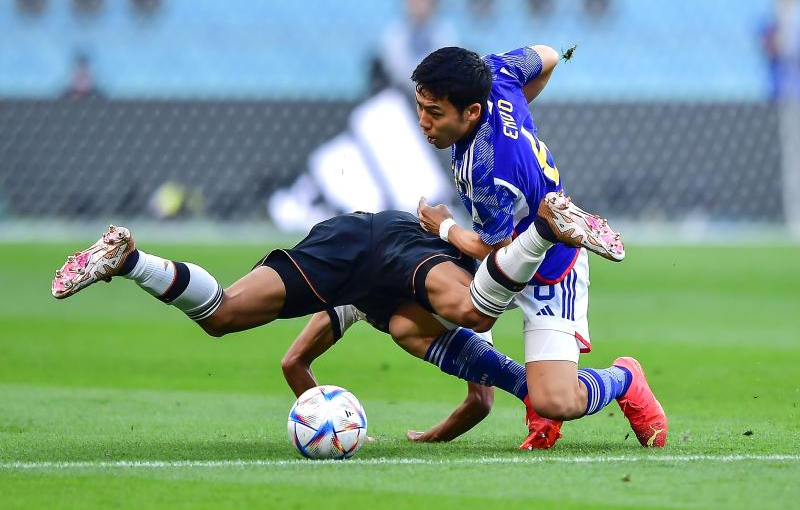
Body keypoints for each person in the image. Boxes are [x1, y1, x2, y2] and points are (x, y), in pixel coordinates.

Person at [50, 199, 617, 447]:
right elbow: (482, 399)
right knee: (444, 317)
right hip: (396, 246)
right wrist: (336, 422)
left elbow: (479, 402)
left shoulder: (368, 303)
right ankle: (546, 231)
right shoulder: (443, 290)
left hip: (346, 241)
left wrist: (337, 420)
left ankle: (128, 261)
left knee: (221, 314)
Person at [412, 45, 667, 449]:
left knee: (558, 401)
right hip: (512, 248)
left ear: (472, 112)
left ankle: (625, 378)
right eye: (421, 106)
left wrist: (443, 226)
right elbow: (549, 55)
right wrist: (519, 123)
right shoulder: (496, 73)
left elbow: (494, 250)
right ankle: (520, 390)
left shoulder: (488, 168)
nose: (423, 121)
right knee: (412, 321)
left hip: (549, 265)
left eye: (435, 113)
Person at [282, 304, 495, 442]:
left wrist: (430, 437)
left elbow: (481, 399)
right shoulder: (353, 285)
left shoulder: (468, 303)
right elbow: (293, 362)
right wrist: (333, 428)